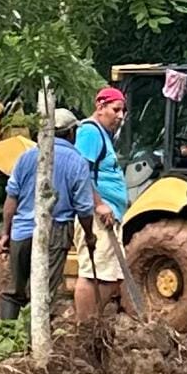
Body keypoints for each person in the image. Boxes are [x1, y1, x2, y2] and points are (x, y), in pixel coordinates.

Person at [0, 108, 97, 321]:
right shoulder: (76, 162)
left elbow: (11, 199)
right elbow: (84, 208)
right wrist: (89, 235)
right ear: (71, 133)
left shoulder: (26, 157)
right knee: (44, 293)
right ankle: (33, 347)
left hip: (21, 232)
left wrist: (6, 233)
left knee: (13, 291)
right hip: (56, 231)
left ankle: (5, 338)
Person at [73, 86, 129, 321]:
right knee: (93, 272)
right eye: (116, 109)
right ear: (100, 106)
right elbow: (80, 172)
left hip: (110, 214)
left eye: (123, 111)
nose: (120, 116)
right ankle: (85, 326)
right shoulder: (90, 132)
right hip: (98, 216)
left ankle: (93, 321)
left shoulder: (103, 135)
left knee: (110, 275)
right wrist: (99, 205)